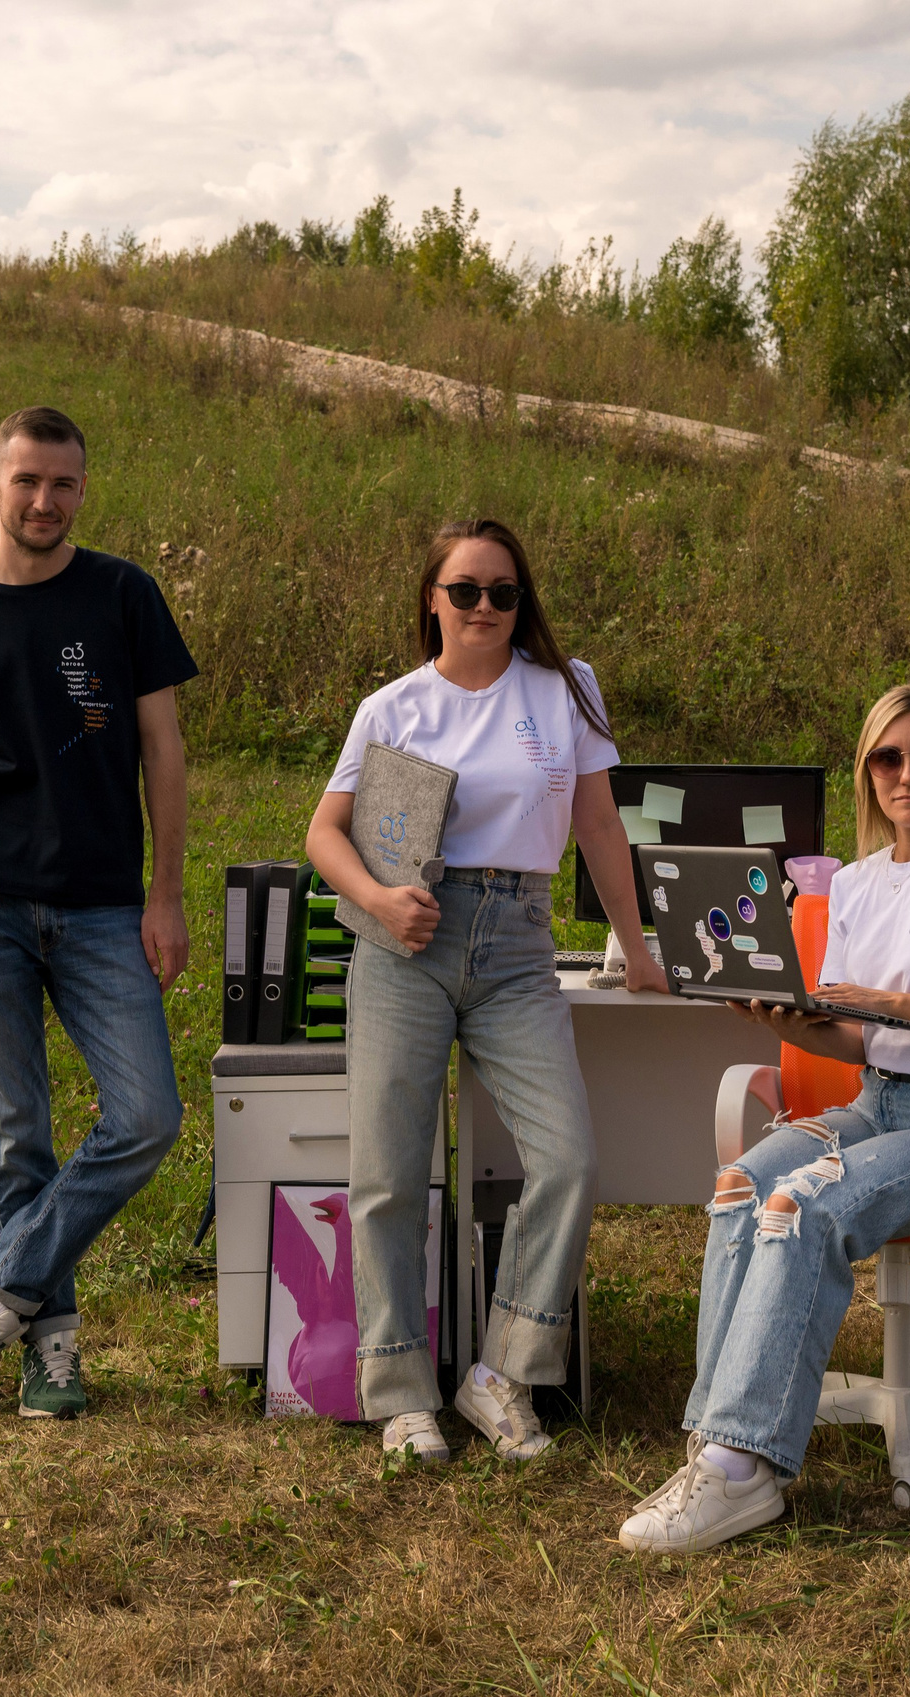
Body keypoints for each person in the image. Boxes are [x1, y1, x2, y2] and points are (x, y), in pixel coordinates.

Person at [618, 680, 910, 1554]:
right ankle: (712, 1445)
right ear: (866, 774)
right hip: (879, 1103)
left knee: (806, 1203)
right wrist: (792, 1019)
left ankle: (747, 1470)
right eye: (887, 758)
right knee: (743, 1186)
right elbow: (861, 1043)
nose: (908, 774)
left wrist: (905, 1005)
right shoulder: (852, 885)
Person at [306, 519, 664, 1464]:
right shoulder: (394, 707)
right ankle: (399, 1390)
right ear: (431, 597)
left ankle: (502, 1373)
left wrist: (637, 947)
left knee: (570, 1159)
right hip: (405, 944)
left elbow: (599, 828)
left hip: (516, 943)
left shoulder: (564, 691)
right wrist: (380, 898)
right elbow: (325, 835)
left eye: (503, 592)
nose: (484, 608)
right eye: (464, 590)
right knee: (387, 1175)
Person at [0, 405, 198, 1422]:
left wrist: (164, 894)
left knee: (147, 1115)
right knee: (16, 1131)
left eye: (62, 483)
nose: (44, 500)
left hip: (105, 906)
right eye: (26, 481)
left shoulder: (122, 596)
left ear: (81, 490)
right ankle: (46, 1350)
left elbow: (163, 753)